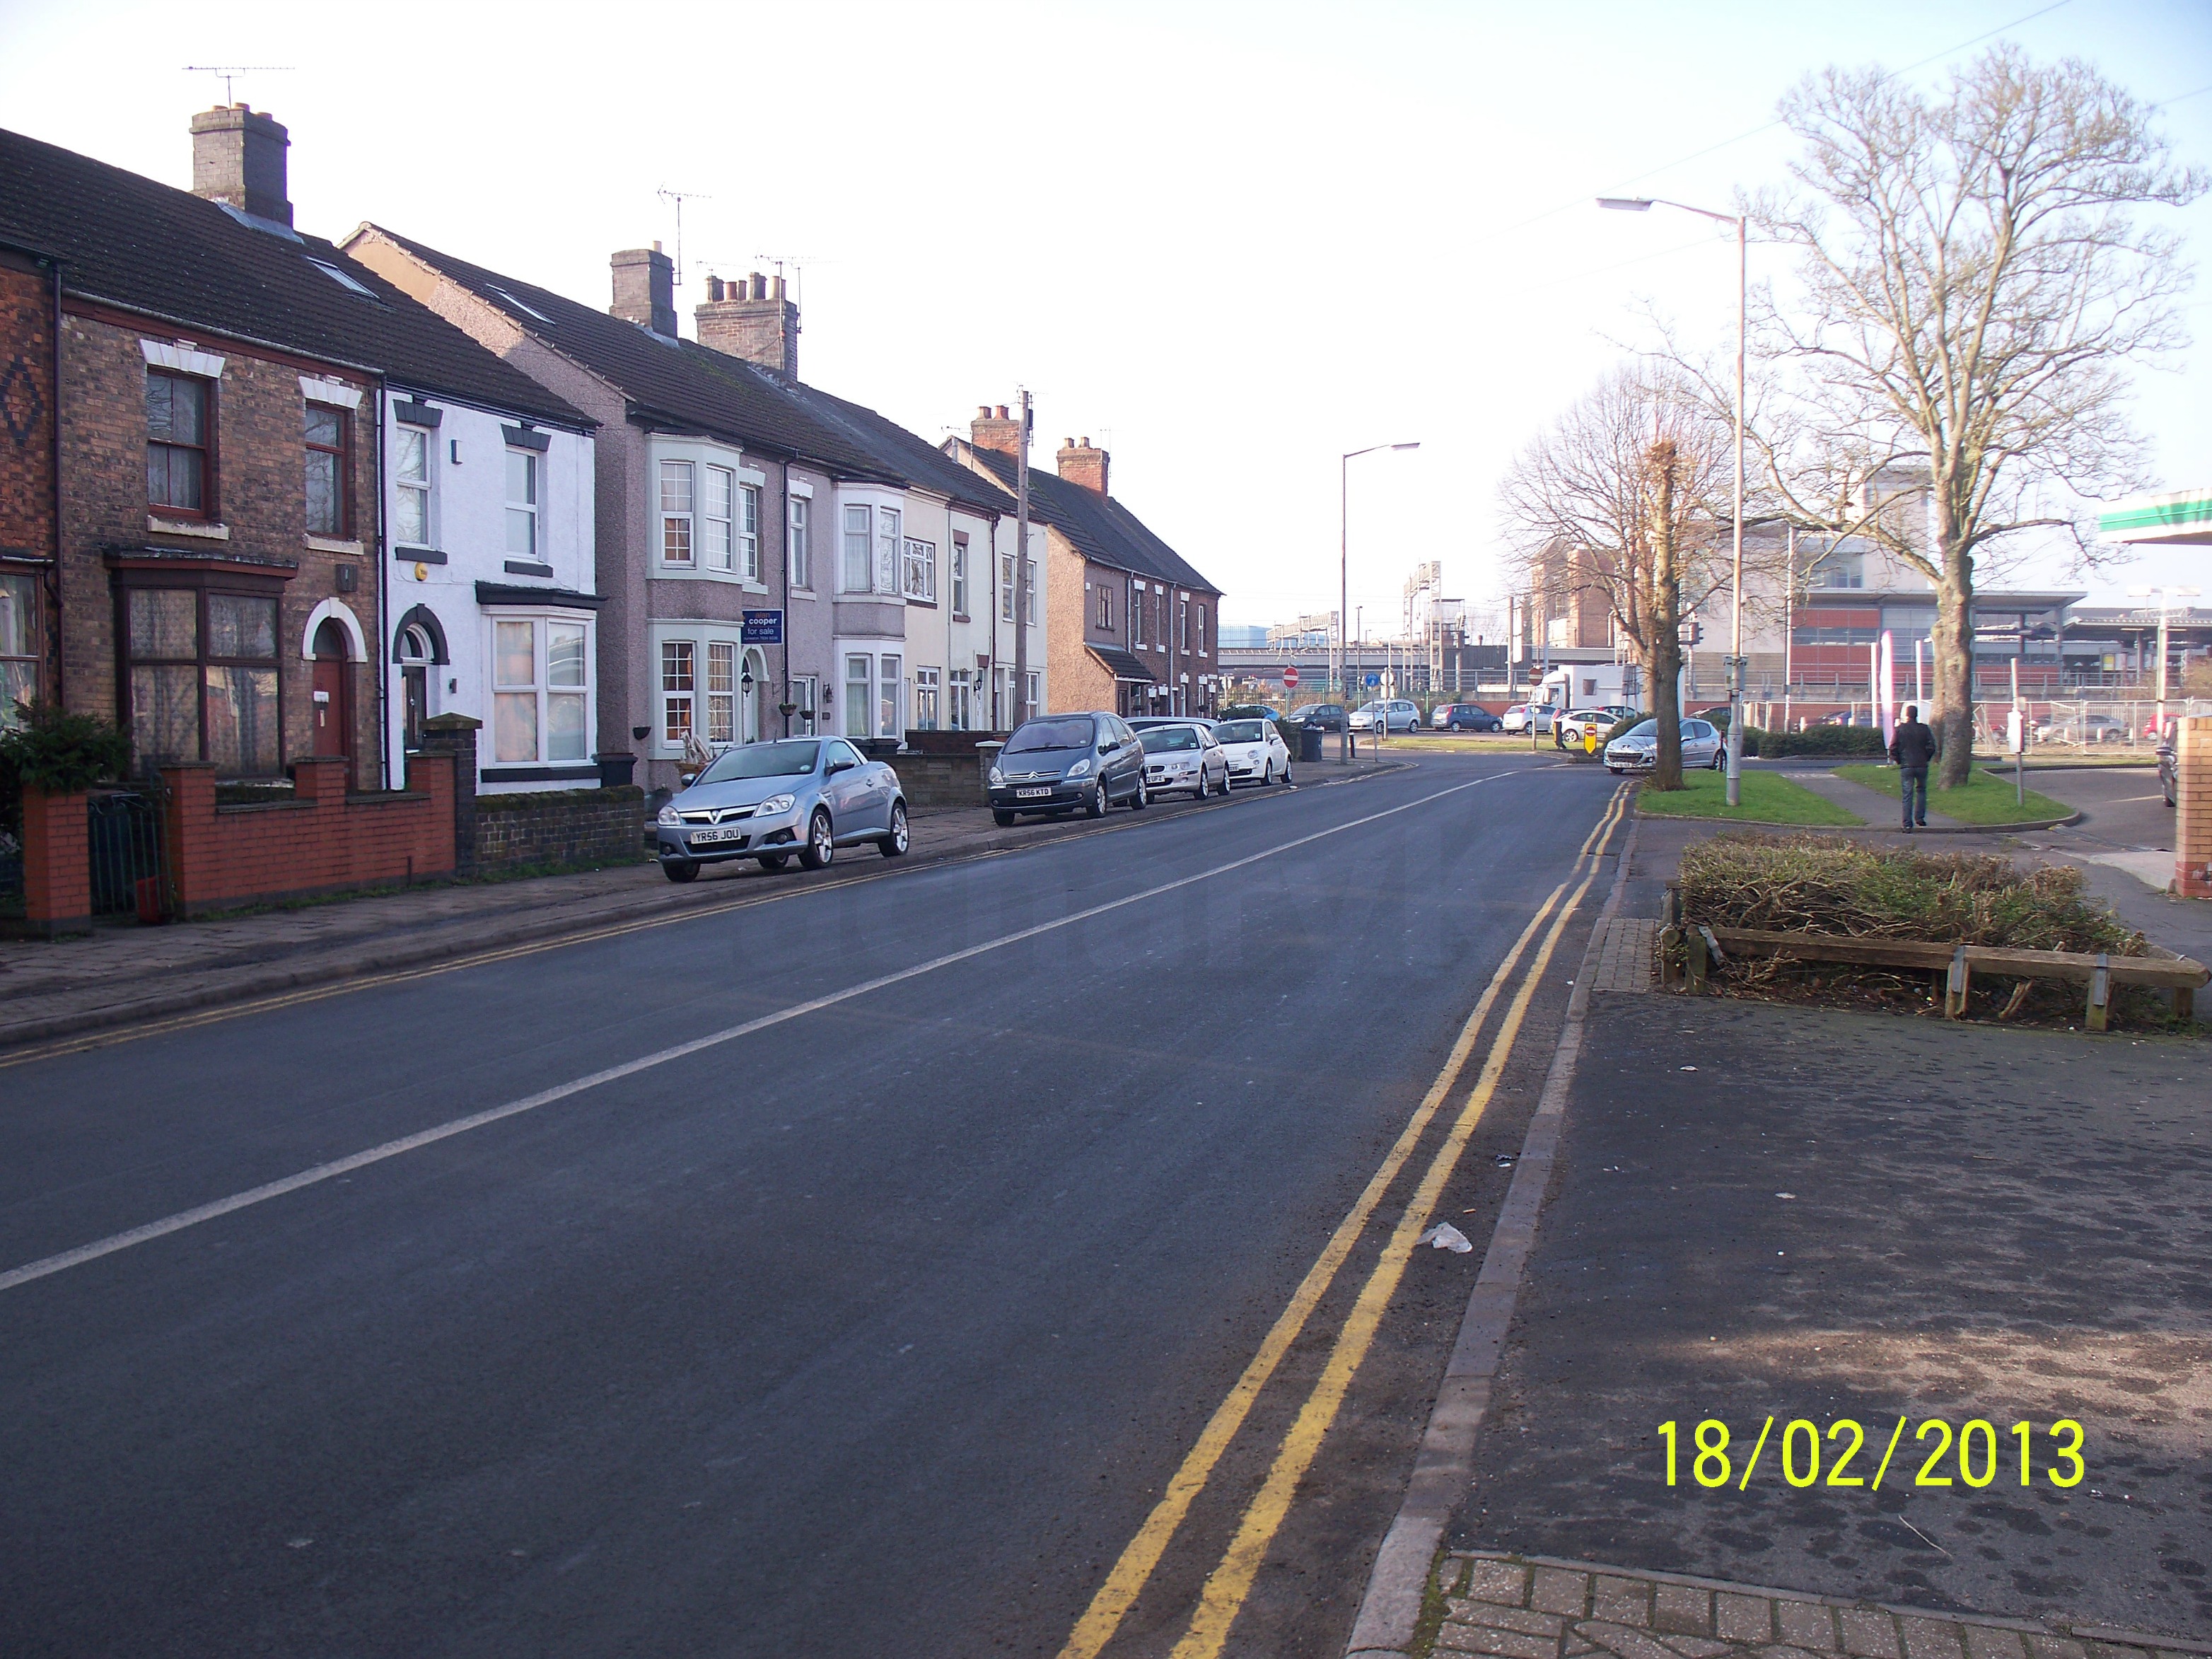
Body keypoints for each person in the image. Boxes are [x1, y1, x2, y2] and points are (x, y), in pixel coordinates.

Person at [1889, 704, 1938, 830]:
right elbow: (1932, 746)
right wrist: (1926, 758)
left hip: (1907, 765)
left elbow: (1893, 747)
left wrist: (1899, 760)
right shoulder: (1924, 729)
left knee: (1907, 794)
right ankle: (1920, 818)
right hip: (1922, 765)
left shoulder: (1900, 729)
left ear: (1906, 715)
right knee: (1921, 791)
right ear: (1916, 715)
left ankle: (1907, 823)